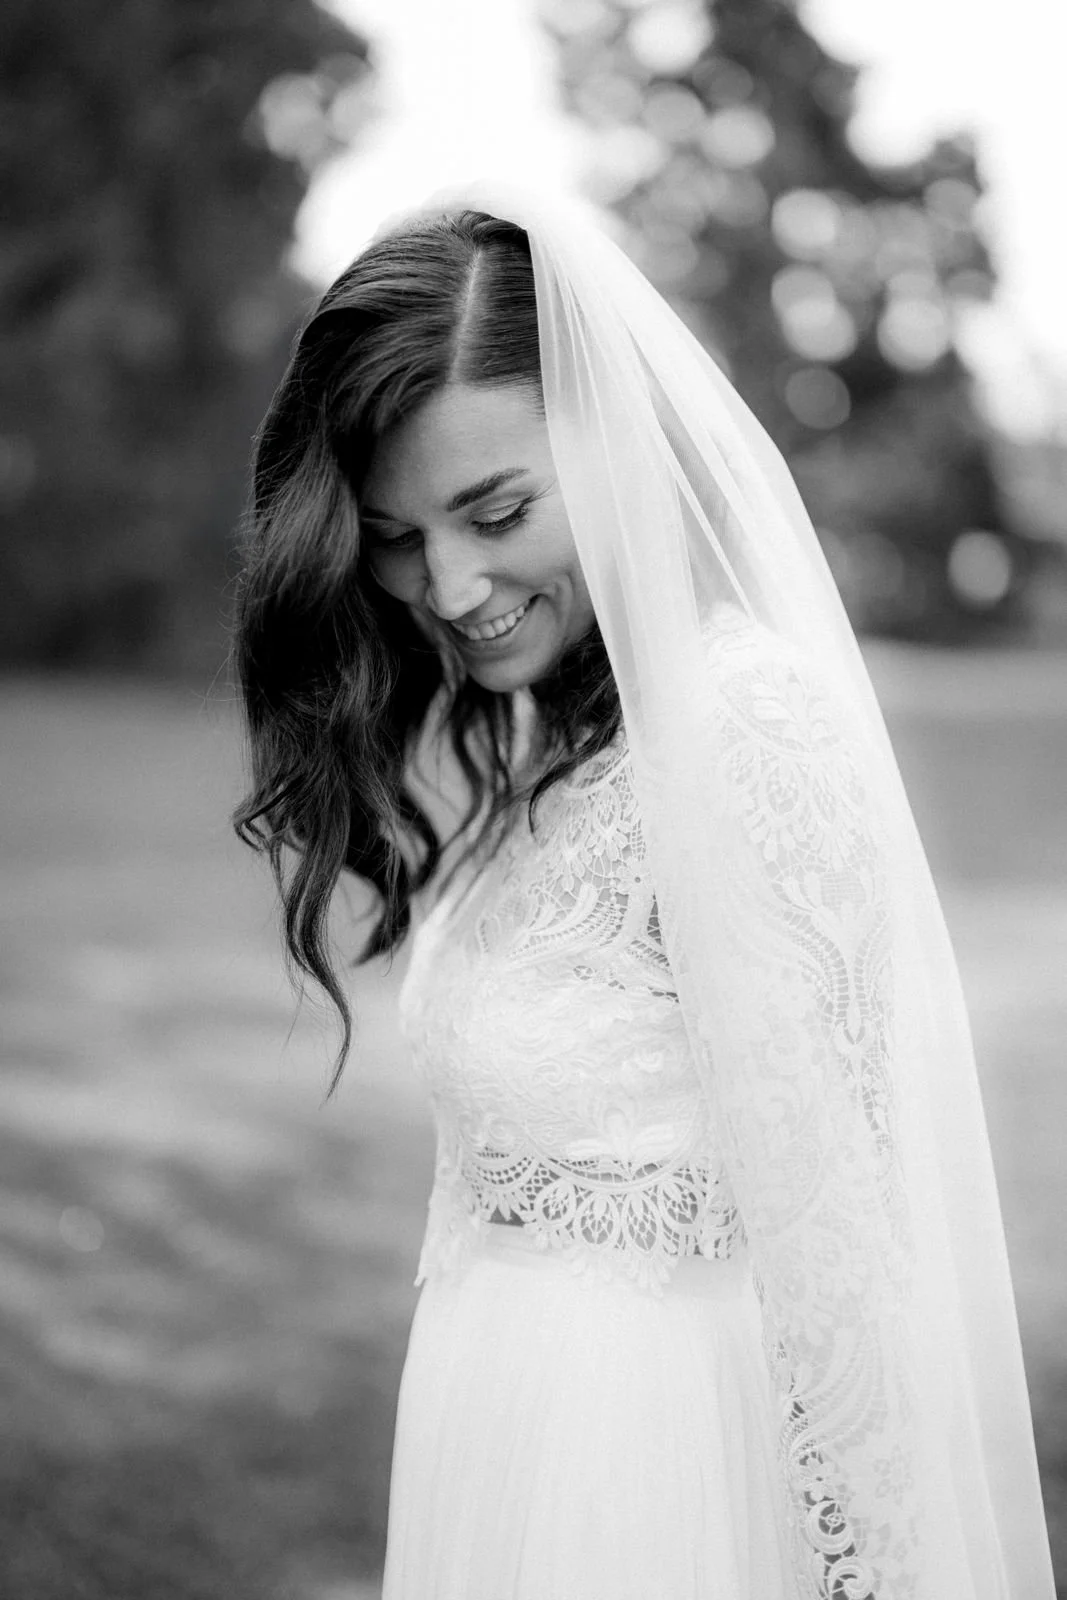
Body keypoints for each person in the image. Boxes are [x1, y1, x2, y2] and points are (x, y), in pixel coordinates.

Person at [232, 182, 1055, 1599]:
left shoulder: (743, 731)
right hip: (513, 1450)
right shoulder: (579, 734)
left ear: (618, 443)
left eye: (496, 509)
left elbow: (849, 1249)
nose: (450, 583)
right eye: (394, 533)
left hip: (656, 1486)